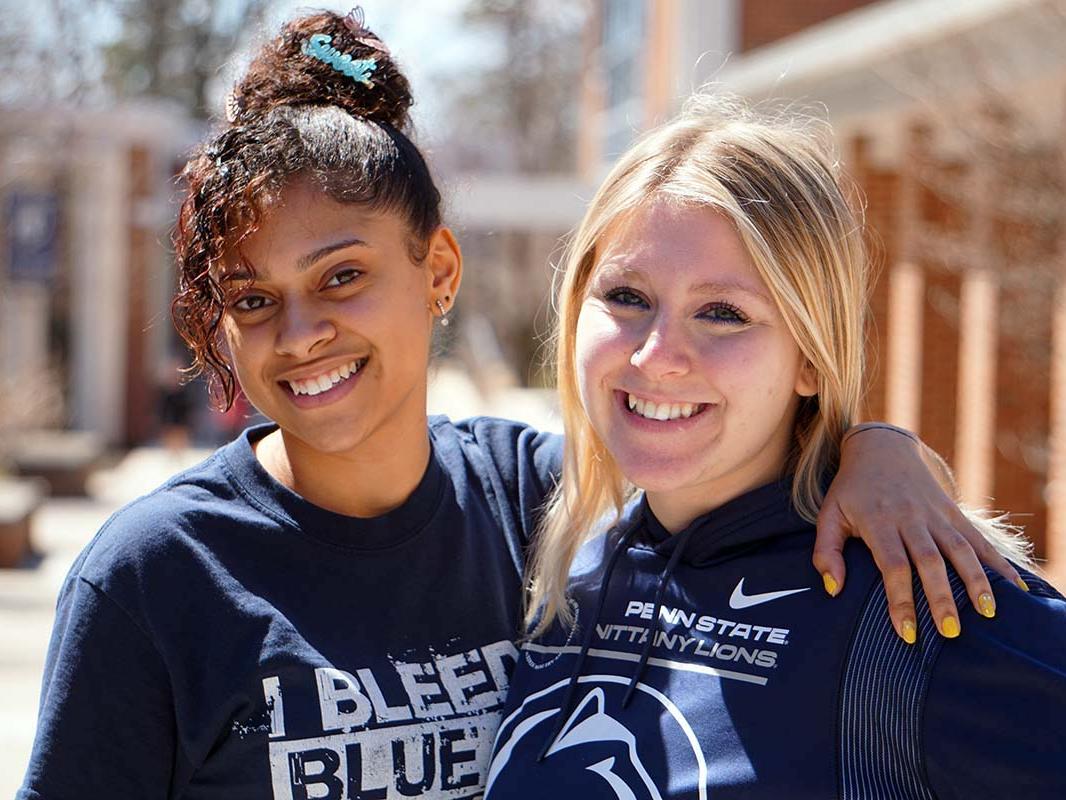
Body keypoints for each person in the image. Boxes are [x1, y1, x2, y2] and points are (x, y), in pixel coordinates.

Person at [16, 12, 1031, 800]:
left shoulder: (535, 504)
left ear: (438, 269)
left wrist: (877, 448)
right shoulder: (154, 575)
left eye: (342, 276)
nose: (300, 332)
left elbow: (730, 435)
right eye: (251, 298)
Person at [485, 94, 1066, 798]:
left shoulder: (907, 595)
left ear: (811, 359)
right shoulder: (556, 552)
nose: (658, 354)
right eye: (627, 296)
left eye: (723, 313)